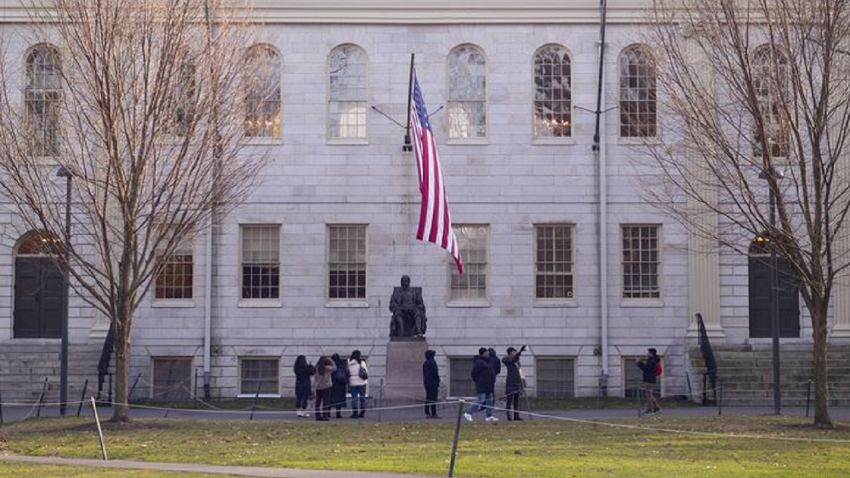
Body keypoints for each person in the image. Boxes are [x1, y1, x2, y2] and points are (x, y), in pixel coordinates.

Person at [464, 348, 498, 422]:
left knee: (490, 400)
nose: (488, 354)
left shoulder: (488, 362)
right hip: (482, 385)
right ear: (483, 353)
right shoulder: (479, 362)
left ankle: (489, 415)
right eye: (486, 353)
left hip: (489, 385)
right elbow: (473, 374)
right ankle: (468, 412)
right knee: (480, 400)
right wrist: (479, 381)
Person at [502, 345, 526, 421]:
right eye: (513, 351)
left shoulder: (516, 360)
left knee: (516, 400)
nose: (515, 353)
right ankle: (509, 415)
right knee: (509, 400)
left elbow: (518, 366)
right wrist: (520, 351)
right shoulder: (506, 359)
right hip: (510, 382)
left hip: (517, 381)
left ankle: (516, 415)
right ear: (510, 353)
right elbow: (513, 360)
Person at [636, 348, 661, 415]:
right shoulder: (653, 360)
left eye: (648, 353)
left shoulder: (652, 361)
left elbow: (645, 369)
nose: (647, 354)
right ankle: (656, 408)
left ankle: (650, 409)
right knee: (650, 394)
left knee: (648, 395)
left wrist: (638, 363)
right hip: (650, 379)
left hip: (649, 379)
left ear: (652, 353)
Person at [313, 356, 336, 421]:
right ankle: (325, 416)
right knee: (325, 402)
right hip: (326, 386)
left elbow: (315, 379)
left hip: (318, 387)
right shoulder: (327, 368)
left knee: (318, 401)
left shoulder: (317, 368)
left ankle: (318, 415)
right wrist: (331, 360)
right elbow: (334, 368)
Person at [348, 350, 369, 418]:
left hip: (353, 382)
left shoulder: (349, 362)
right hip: (362, 382)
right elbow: (365, 371)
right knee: (362, 398)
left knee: (354, 398)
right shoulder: (362, 362)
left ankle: (355, 413)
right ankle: (362, 412)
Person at [330, 353, 350, 419]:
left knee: (330, 399)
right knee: (339, 401)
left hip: (333, 384)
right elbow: (347, 373)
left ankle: (328, 413)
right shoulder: (343, 364)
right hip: (341, 385)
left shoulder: (331, 365)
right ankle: (338, 414)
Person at [422, 349, 440, 419]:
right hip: (433, 383)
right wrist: (438, 380)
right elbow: (435, 373)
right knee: (433, 399)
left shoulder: (425, 363)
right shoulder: (432, 362)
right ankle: (433, 413)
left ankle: (427, 412)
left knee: (428, 398)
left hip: (427, 383)